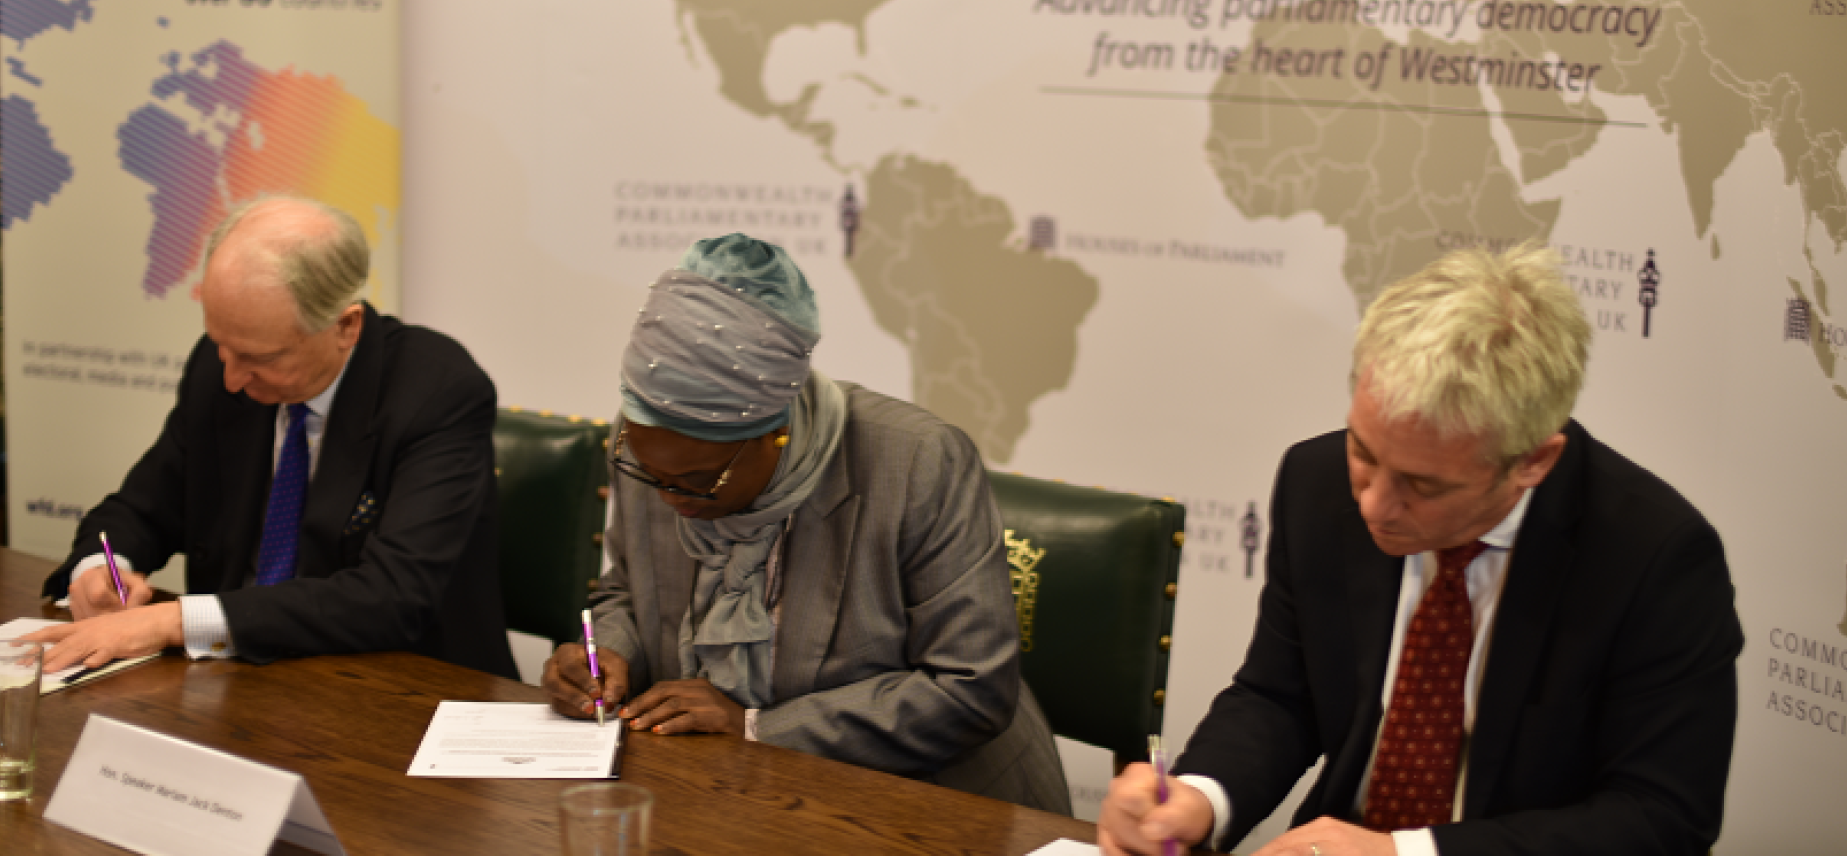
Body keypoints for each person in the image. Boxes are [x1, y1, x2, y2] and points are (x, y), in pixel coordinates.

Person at [1100, 243, 1742, 856]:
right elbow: (1281, 695)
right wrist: (1200, 797)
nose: (1373, 504)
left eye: (1423, 485)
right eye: (1364, 453)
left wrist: (1403, 850)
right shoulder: (1314, 481)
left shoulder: (1654, 557)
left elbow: (1660, 818)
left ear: (1533, 462)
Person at [543, 233, 1070, 813]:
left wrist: (756, 726)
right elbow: (630, 589)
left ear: (777, 431)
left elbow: (969, 690)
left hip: (917, 802)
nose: (670, 497)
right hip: (715, 793)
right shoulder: (655, 444)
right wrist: (605, 656)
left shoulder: (917, 461)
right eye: (649, 472)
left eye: (698, 481)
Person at [29, 196, 517, 679]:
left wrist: (172, 621)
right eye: (223, 346)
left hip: (401, 693)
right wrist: (99, 568)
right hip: (240, 681)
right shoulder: (219, 367)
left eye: (262, 358)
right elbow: (139, 508)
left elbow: (390, 596)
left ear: (345, 326)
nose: (233, 379)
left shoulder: (437, 392)